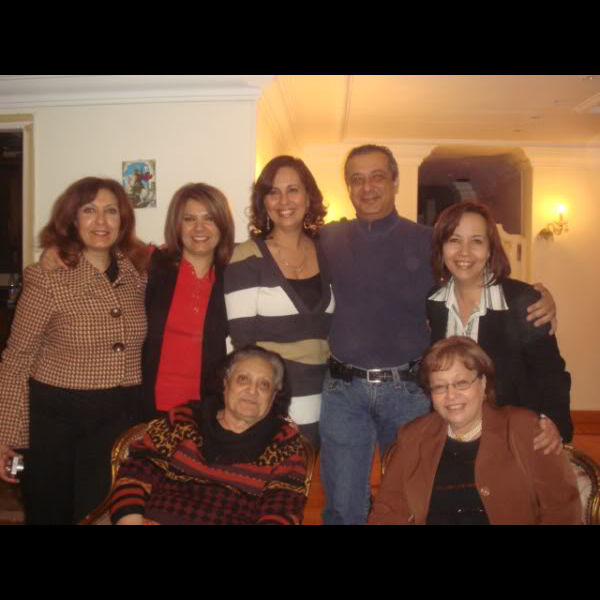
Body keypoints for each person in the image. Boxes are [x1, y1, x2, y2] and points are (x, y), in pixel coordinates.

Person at [318, 144, 557, 525]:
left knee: (414, 499)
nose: (367, 187)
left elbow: (473, 273)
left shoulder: (428, 240)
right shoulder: (328, 239)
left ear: (395, 181)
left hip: (410, 389)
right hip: (343, 390)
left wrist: (539, 295)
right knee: (344, 507)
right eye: (356, 179)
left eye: (377, 176)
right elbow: (288, 259)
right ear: (347, 187)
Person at [0, 177, 148, 524]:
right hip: (55, 422)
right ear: (72, 219)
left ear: (123, 220)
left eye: (111, 211)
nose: (101, 221)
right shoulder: (47, 278)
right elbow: (16, 357)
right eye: (89, 210)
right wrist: (5, 436)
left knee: (98, 513)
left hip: (115, 421)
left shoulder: (137, 275)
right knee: (50, 513)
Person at [369, 336, 581, 525]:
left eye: (461, 383)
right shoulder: (414, 436)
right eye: (440, 387)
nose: (451, 395)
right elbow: (388, 510)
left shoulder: (524, 429)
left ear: (483, 383)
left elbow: (562, 509)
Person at [427, 201, 572, 450]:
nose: (464, 252)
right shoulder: (434, 302)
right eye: (454, 240)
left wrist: (554, 422)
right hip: (455, 433)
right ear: (441, 248)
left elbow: (550, 372)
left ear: (490, 250)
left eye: (476, 241)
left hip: (513, 435)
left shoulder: (522, 301)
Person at [110, 345, 308, 525]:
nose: (252, 390)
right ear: (225, 383)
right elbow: (135, 474)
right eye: (243, 379)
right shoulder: (184, 420)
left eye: (264, 385)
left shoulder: (283, 444)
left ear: (273, 396)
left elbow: (282, 512)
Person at [224, 156, 334, 449]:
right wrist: (263, 401)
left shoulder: (327, 253)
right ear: (264, 202)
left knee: (313, 475)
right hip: (270, 401)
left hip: (325, 398)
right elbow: (243, 345)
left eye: (293, 190)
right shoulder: (248, 257)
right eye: (273, 192)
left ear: (308, 197)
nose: (284, 201)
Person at [141, 183, 234, 420]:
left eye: (209, 218)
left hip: (207, 408)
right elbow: (106, 247)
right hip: (149, 405)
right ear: (177, 225)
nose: (199, 228)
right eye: (189, 219)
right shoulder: (153, 266)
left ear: (222, 225)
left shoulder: (233, 274)